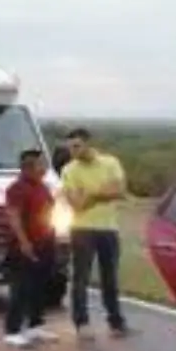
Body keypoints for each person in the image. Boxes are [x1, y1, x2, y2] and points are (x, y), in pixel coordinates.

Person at [60, 127, 129, 339]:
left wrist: (90, 194)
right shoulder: (69, 170)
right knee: (81, 277)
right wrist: (102, 193)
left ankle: (116, 321)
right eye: (70, 147)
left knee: (110, 277)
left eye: (77, 146)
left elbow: (120, 191)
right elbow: (76, 204)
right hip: (82, 229)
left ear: (88, 144)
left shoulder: (110, 163)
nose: (73, 151)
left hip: (108, 228)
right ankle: (82, 322)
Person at [2, 148, 60, 348]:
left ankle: (35, 325)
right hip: (24, 244)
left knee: (39, 286)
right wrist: (24, 242)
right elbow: (14, 216)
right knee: (21, 287)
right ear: (28, 167)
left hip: (45, 241)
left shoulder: (42, 187)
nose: (44, 168)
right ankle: (12, 330)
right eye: (40, 165)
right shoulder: (17, 189)